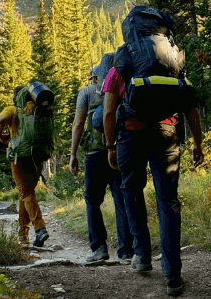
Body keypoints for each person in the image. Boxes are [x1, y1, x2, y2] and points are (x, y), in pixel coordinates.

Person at [102, 44, 205, 297]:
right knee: (168, 200)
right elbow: (190, 107)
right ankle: (173, 276)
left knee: (132, 192)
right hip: (167, 133)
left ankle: (142, 255)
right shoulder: (171, 65)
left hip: (131, 134)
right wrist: (198, 143)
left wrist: (110, 146)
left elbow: (107, 112)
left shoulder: (120, 65)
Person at [69, 53, 134, 264]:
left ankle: (99, 248)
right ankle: (126, 251)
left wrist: (72, 154)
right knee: (121, 200)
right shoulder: (124, 88)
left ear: (95, 76)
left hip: (95, 154)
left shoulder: (86, 93)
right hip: (118, 150)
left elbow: (78, 124)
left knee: (92, 201)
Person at [0, 86, 50, 247]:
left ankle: (40, 229)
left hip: (19, 157)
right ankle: (23, 234)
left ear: (15, 99)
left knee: (26, 192)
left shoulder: (12, 109)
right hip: (38, 157)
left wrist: (0, 136)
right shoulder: (38, 109)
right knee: (25, 194)